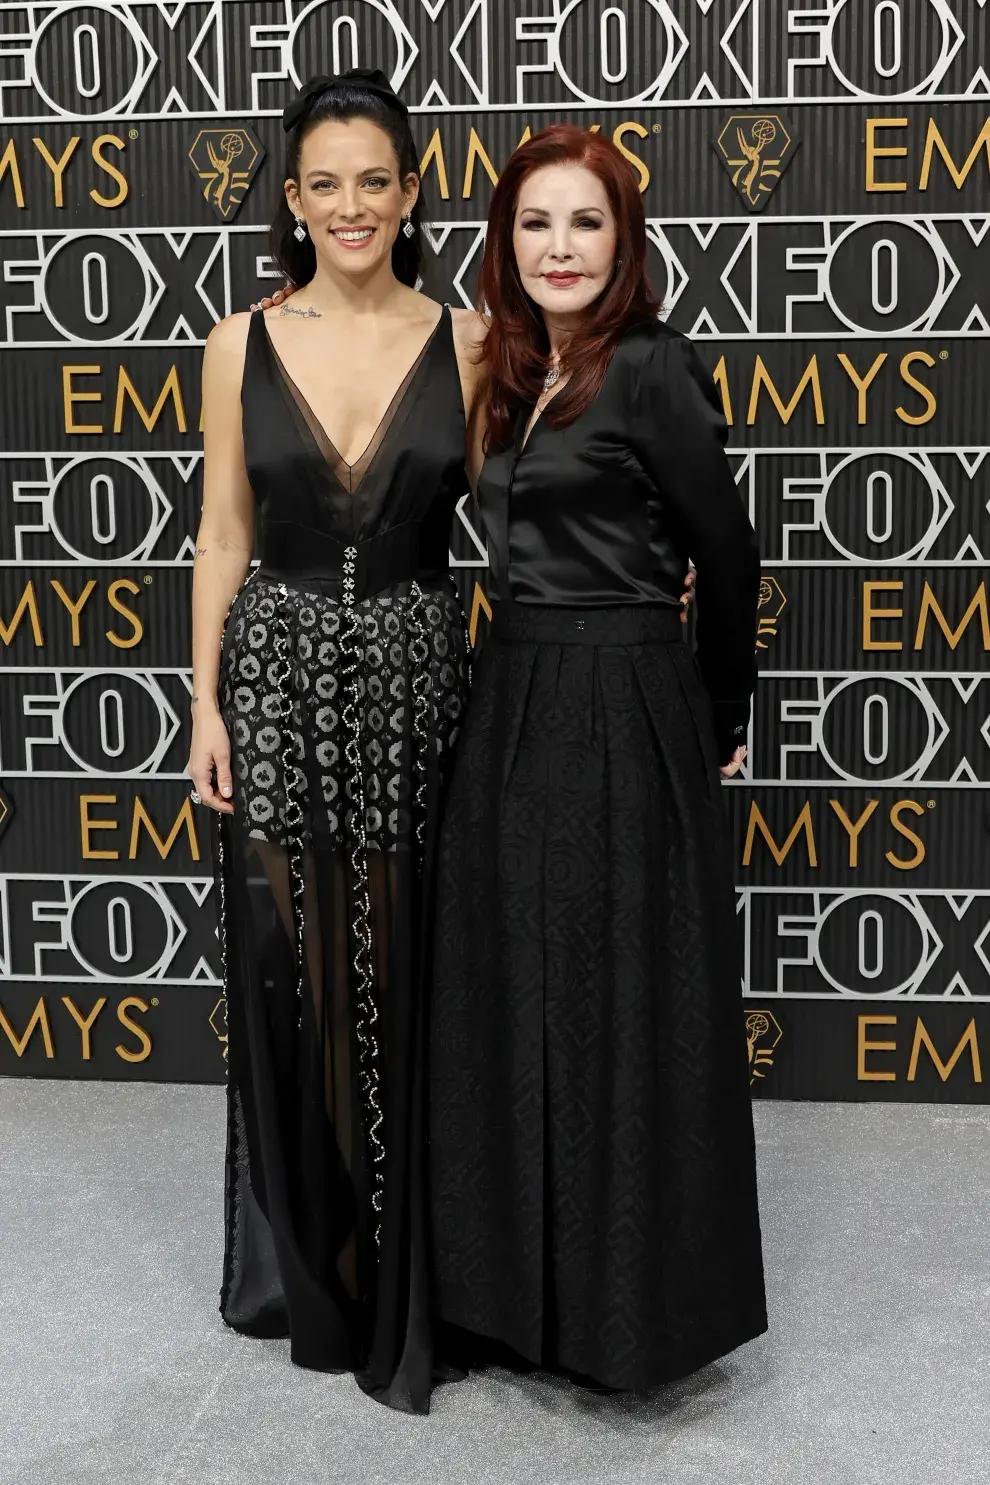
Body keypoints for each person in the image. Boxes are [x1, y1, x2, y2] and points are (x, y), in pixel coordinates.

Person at [429, 124, 768, 1393]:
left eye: (584, 223)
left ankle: (630, 1316)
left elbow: (727, 559)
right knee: (508, 993)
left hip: (628, 693)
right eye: (534, 223)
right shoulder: (503, 371)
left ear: (622, 241)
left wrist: (718, 711)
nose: (558, 246)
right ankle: (507, 1302)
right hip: (506, 689)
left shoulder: (653, 367)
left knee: (624, 1009)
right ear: (503, 243)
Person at [185, 69, 487, 1414]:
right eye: (325, 183)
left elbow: (536, 511)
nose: (351, 205)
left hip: (425, 674)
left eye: (376, 179)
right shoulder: (238, 340)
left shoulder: (474, 342)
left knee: (409, 957)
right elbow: (224, 536)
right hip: (282, 670)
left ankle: (409, 1257)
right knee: (297, 963)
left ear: (410, 191)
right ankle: (311, 1257)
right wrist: (204, 702)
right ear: (293, 200)